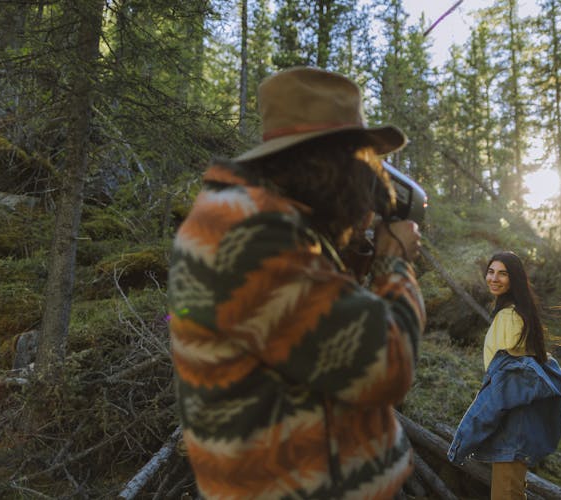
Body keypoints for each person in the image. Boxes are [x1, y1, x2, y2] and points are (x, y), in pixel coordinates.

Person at [166, 66, 425, 499]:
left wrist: (351, 255)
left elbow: (314, 332)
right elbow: (387, 364)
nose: (368, 181)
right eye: (361, 162)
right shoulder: (249, 234)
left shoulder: (261, 222)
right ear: (330, 163)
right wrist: (393, 263)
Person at [447, 251, 561, 500]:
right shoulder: (515, 313)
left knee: (507, 494)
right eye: (491, 271)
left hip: (514, 420)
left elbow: (503, 383)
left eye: (502, 273)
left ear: (515, 279)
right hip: (516, 418)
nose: (494, 278)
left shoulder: (509, 317)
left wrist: (467, 435)